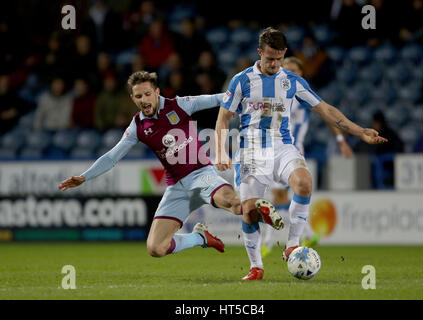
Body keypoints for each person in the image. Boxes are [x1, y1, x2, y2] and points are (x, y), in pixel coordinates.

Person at [216, 27, 387, 280]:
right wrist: (220, 150)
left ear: (284, 54)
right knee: (249, 210)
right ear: (259, 53)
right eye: (269, 58)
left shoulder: (292, 81)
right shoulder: (241, 80)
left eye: (278, 58)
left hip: (283, 146)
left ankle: (292, 245)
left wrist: (359, 131)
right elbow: (223, 119)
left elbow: (326, 110)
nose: (274, 64)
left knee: (304, 182)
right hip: (251, 151)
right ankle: (256, 267)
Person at [59, 71, 280, 260]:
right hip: (176, 187)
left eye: (147, 94)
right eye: (138, 96)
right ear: (132, 98)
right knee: (156, 248)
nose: (144, 99)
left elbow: (219, 98)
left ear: (157, 92)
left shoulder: (180, 105)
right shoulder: (137, 126)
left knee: (232, 204)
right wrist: (84, 177)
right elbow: (112, 157)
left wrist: (258, 99)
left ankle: (259, 207)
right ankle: (200, 237)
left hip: (202, 174)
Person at [260, 57, 354, 258]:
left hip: (291, 150)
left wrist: (340, 139)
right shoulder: (276, 95)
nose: (291, 72)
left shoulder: (302, 96)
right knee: (280, 197)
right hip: (275, 150)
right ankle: (306, 235)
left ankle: (269, 242)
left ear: (301, 74)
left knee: (278, 197)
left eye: (295, 70)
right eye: (288, 68)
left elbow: (327, 115)